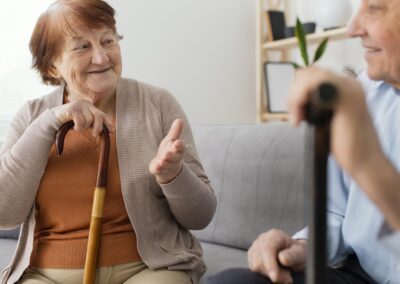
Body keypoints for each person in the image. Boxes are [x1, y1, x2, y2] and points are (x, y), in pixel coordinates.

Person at [0, 0, 216, 283]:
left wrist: (173, 175)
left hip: (150, 268)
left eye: (107, 41)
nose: (102, 58)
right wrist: (51, 121)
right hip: (49, 274)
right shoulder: (32, 116)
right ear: (53, 66)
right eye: (82, 47)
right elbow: (5, 213)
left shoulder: (157, 104)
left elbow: (200, 216)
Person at [207, 0, 400, 283]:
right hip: (362, 274)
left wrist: (366, 162)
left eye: (374, 7)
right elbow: (336, 212)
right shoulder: (366, 92)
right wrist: (303, 247)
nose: (352, 28)